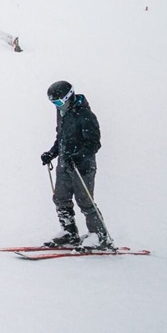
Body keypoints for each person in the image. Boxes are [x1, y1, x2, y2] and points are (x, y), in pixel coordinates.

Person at [41, 80, 112, 249]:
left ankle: (99, 236)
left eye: (58, 102)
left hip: (83, 167)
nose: (56, 106)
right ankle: (69, 232)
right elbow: (61, 137)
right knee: (60, 198)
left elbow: (94, 143)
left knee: (85, 200)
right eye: (53, 103)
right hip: (65, 163)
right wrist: (52, 153)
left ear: (68, 97)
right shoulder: (63, 113)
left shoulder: (85, 115)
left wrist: (78, 157)